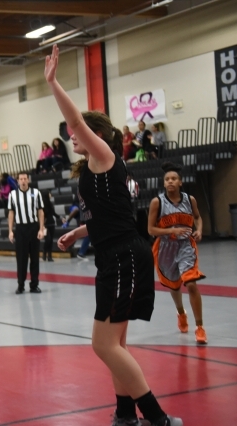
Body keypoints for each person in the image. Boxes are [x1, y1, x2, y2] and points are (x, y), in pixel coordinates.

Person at [46, 44, 183, 426]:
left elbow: (74, 119)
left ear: (97, 135)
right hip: (120, 251)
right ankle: (126, 415)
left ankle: (156, 418)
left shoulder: (103, 156)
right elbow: (110, 217)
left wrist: (53, 82)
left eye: (77, 132)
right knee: (115, 345)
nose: (71, 135)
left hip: (123, 256)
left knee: (102, 345)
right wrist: (77, 232)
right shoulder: (103, 170)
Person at [147, 162, 207, 344]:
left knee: (191, 284)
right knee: (174, 286)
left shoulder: (190, 200)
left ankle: (200, 328)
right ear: (164, 183)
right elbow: (150, 229)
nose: (170, 182)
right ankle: (181, 313)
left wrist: (199, 230)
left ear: (180, 182)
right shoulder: (157, 202)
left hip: (186, 247)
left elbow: (197, 217)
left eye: (174, 179)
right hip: (166, 249)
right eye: (167, 179)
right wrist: (170, 231)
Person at [8, 172, 45, 293]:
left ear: (28, 180)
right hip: (21, 229)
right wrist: (10, 231)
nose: (23, 181)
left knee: (35, 258)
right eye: (21, 179)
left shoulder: (36, 193)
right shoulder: (13, 195)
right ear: (18, 181)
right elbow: (11, 213)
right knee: (21, 259)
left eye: (25, 179)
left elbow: (40, 211)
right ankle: (21, 285)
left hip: (33, 228)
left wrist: (41, 229)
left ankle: (34, 285)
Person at [40, 190, 57, 262]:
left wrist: (60, 218)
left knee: (51, 240)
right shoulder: (42, 205)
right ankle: (44, 253)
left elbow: (53, 213)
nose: (50, 194)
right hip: (45, 224)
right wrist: (42, 225)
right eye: (49, 193)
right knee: (48, 239)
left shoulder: (50, 203)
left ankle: (49, 255)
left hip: (51, 223)